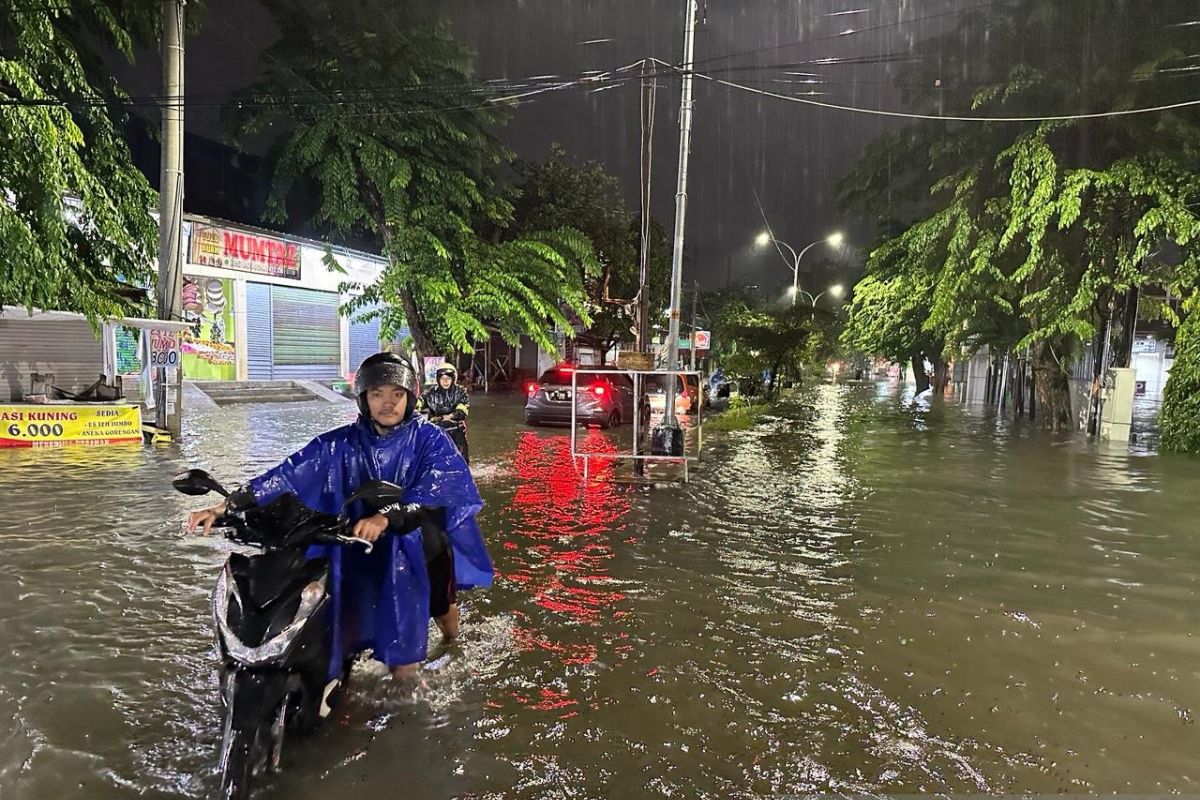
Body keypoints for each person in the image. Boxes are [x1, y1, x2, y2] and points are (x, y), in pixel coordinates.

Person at [186, 351, 492, 681]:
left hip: (420, 543)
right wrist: (229, 504)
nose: (387, 404)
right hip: (357, 542)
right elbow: (290, 473)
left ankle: (449, 645)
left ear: (410, 398)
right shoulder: (341, 443)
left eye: (397, 394)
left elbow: (438, 488)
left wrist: (387, 517)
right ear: (364, 399)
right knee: (348, 613)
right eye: (378, 394)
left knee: (434, 615)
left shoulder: (430, 438)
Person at [416, 362, 470, 464]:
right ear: (438, 379)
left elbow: (461, 412)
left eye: (448, 378)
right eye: (442, 378)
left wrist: (444, 417)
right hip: (437, 432)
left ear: (453, 378)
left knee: (461, 462)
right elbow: (418, 403)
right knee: (436, 462)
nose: (445, 381)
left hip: (457, 432)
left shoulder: (460, 392)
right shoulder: (430, 393)